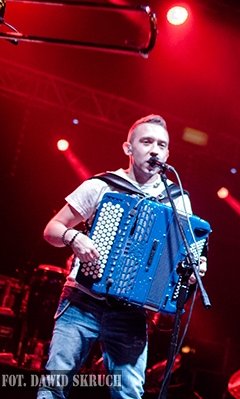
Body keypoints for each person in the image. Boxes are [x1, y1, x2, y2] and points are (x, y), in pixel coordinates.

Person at [39, 114, 207, 398]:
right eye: (146, 142)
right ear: (128, 148)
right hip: (82, 301)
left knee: (129, 393)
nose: (154, 150)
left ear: (167, 154)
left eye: (161, 145)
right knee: (54, 386)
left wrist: (194, 269)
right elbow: (51, 229)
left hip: (131, 312)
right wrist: (74, 237)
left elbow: (182, 256)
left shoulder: (177, 199)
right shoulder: (101, 185)